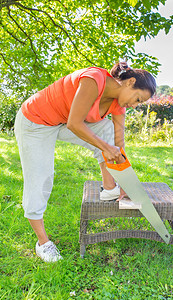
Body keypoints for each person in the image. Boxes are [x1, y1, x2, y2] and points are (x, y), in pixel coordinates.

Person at [14, 62, 156, 262]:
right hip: (35, 121)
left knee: (106, 129)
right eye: (137, 99)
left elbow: (118, 144)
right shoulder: (93, 79)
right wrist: (107, 148)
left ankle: (110, 188)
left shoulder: (118, 105)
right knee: (41, 177)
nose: (134, 105)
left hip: (60, 122)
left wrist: (125, 183)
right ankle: (43, 243)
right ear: (130, 82)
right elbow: (75, 123)